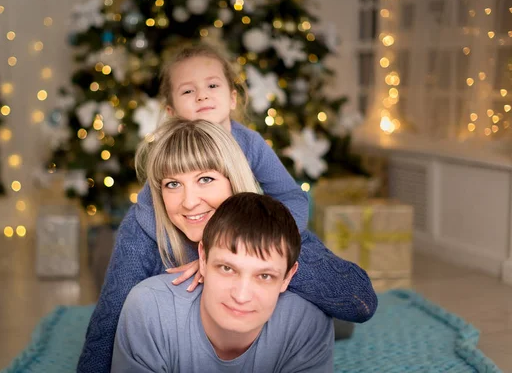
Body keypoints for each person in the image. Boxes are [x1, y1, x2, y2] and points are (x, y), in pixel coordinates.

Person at [77, 44, 378, 373]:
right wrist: (203, 259)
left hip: (282, 323)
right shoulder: (146, 226)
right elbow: (109, 317)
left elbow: (359, 301)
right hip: (184, 330)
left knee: (317, 313)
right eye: (173, 184)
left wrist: (262, 258)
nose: (190, 200)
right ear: (171, 110)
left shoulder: (253, 167)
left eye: (206, 179)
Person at [112, 192, 334, 372]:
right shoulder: (149, 307)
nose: (241, 295)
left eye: (264, 276)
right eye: (227, 268)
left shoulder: (308, 321)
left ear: (288, 276)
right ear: (203, 258)